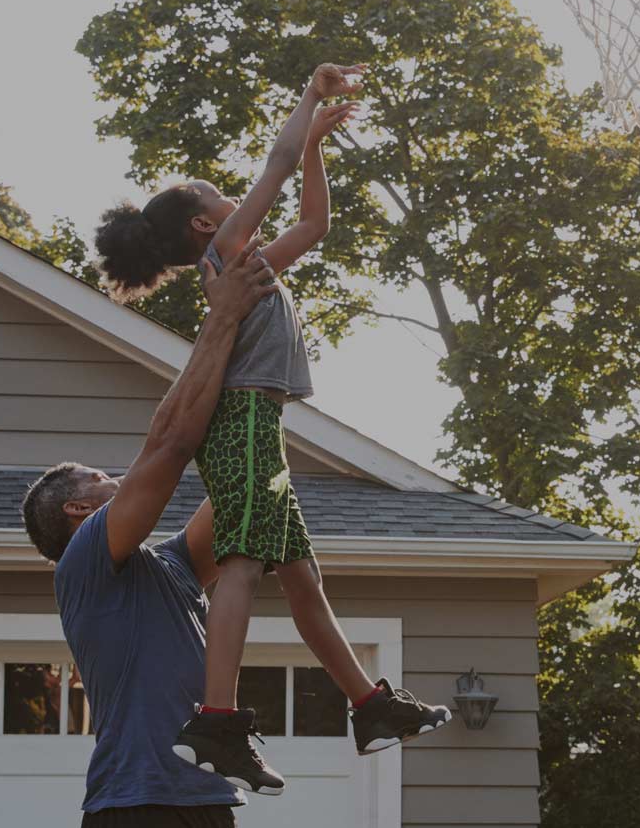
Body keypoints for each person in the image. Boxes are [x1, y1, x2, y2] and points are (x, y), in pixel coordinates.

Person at [90, 62, 450, 796]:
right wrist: (309, 99)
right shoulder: (226, 254)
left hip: (263, 424)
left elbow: (315, 224)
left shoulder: (249, 266)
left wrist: (316, 142)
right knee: (245, 563)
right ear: (204, 223)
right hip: (244, 418)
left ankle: (370, 706)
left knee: (303, 579)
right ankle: (217, 717)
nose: (233, 197)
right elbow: (276, 166)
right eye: (221, 197)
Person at [21, 242, 274, 827]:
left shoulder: (172, 568)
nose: (118, 478)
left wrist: (262, 369)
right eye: (102, 477)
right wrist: (223, 316)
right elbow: (169, 445)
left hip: (207, 800)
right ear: (80, 510)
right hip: (136, 805)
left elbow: (247, 490)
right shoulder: (83, 561)